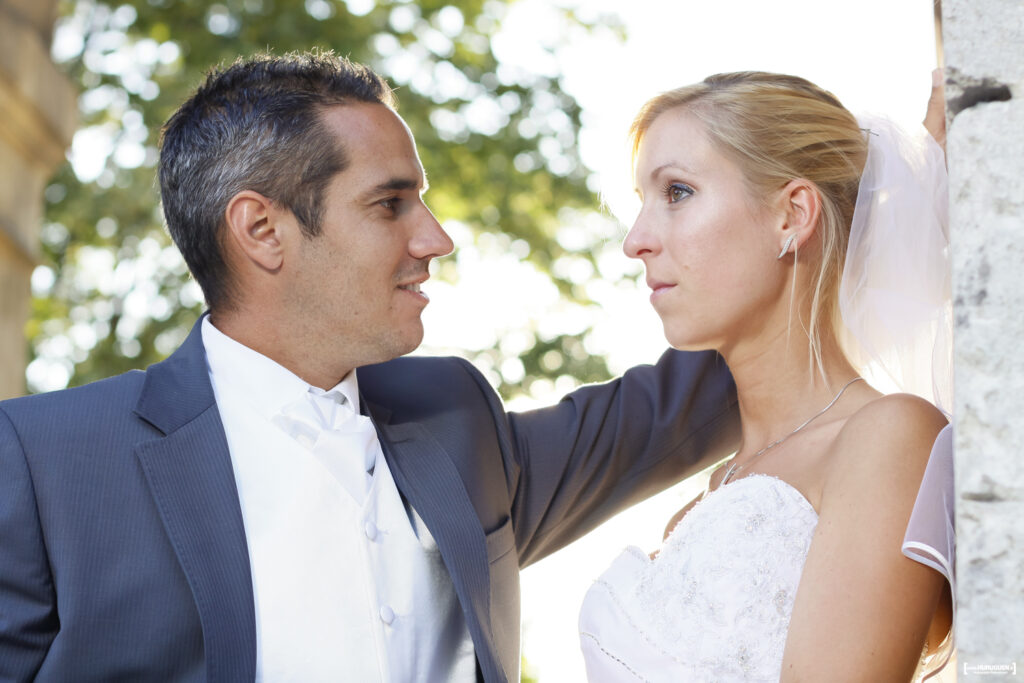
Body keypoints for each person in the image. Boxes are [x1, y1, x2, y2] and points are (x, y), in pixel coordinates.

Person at [0, 52, 741, 682]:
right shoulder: (48, 460)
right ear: (262, 230)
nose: (437, 239)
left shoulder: (454, 417)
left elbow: (682, 409)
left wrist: (800, 230)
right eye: (391, 204)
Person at [578, 71, 955, 682]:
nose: (635, 241)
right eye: (640, 205)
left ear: (792, 215)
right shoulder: (712, 491)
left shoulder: (889, 437)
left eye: (676, 191)